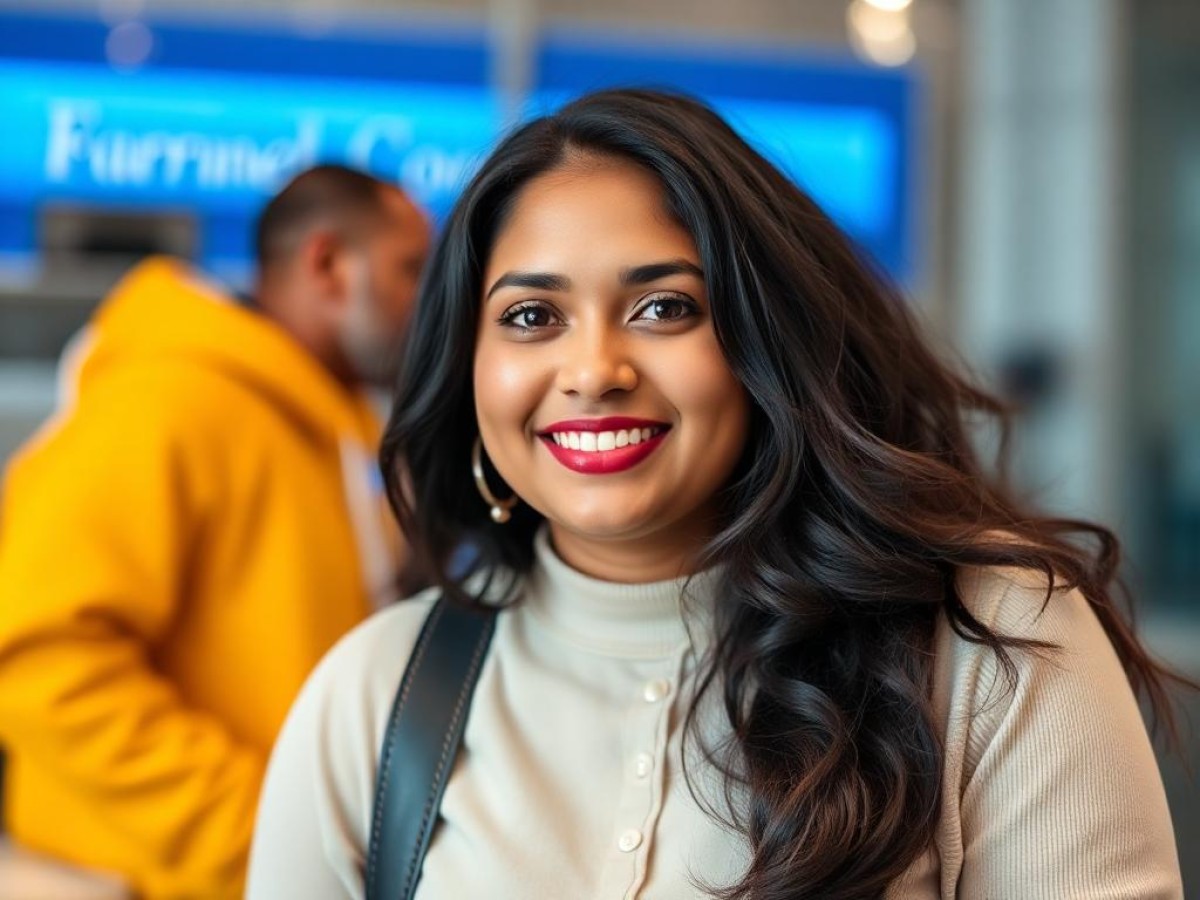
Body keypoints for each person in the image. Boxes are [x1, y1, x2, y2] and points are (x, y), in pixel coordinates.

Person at [247, 92, 1187, 899]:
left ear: (766, 344)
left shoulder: (992, 647)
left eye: (665, 308)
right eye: (532, 317)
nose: (594, 370)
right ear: (470, 367)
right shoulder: (373, 695)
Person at [0, 164, 431, 898]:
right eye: (411, 270)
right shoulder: (167, 400)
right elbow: (40, 654)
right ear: (327, 265)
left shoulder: (337, 424)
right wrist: (258, 832)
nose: (429, 301)